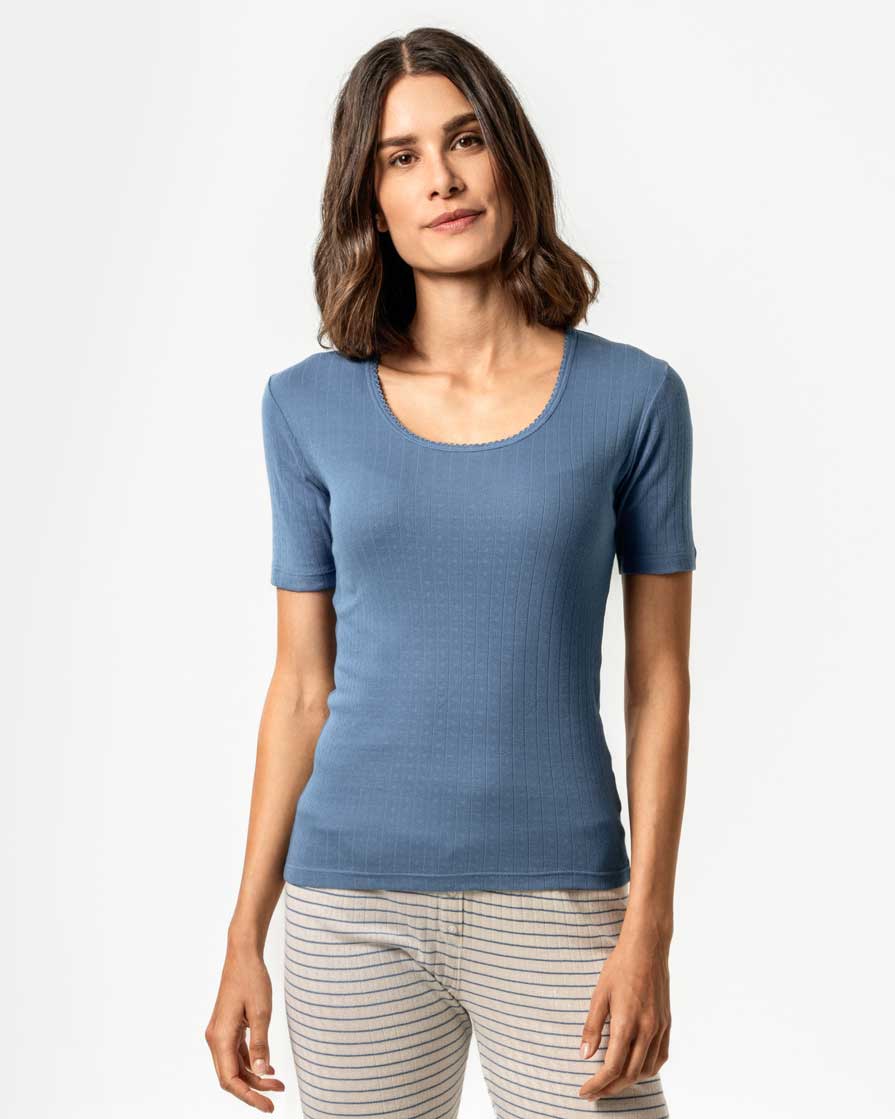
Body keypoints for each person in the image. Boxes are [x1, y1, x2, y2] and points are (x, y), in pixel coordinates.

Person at [205, 26, 696, 1118]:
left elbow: (658, 681)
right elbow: (301, 687)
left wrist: (648, 926)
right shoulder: (305, 406)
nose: (442, 177)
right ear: (370, 199)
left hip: (563, 898)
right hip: (350, 908)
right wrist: (245, 932)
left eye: (465, 140)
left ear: (508, 159)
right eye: (402, 156)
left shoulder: (633, 399)